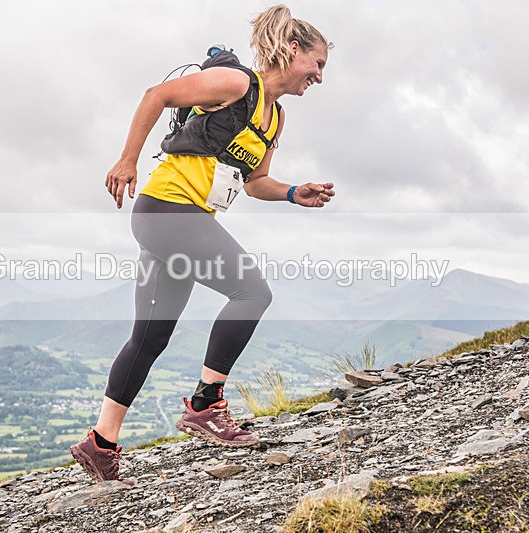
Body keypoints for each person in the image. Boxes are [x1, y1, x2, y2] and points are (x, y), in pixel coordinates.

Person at [70, 4, 335, 484]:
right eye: (316, 64)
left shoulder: (274, 119)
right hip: (167, 211)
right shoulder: (237, 85)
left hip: (176, 222)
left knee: (150, 337)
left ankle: (100, 443)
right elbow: (156, 96)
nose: (318, 76)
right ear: (293, 50)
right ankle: (205, 405)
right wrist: (127, 161)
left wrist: (295, 192)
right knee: (253, 292)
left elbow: (257, 183)